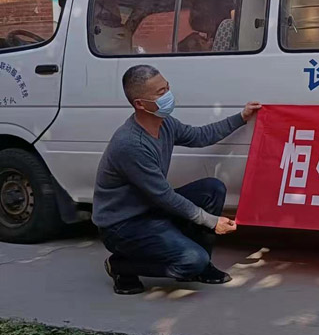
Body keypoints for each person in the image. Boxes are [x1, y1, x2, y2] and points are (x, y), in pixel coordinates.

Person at [93, 64, 261, 295]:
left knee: (212, 189)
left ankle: (202, 267)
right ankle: (122, 266)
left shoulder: (165, 124)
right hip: (124, 226)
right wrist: (212, 221)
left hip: (151, 209)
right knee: (191, 260)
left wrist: (241, 118)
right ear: (140, 104)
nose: (169, 96)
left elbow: (200, 136)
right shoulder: (131, 145)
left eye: (167, 88)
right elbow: (164, 196)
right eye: (161, 93)